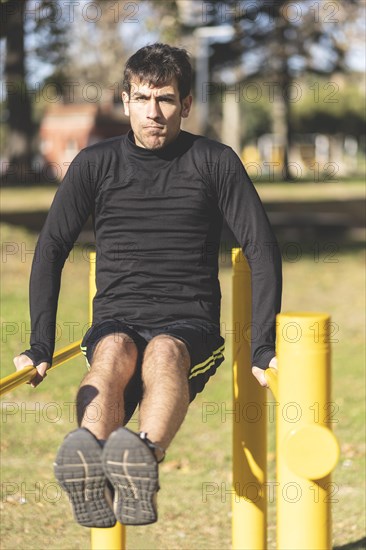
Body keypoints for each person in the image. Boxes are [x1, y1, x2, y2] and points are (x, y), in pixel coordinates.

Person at [13, 43, 282, 528]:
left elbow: (262, 249)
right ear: (125, 99)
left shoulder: (214, 162)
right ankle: (93, 469)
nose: (153, 112)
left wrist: (263, 348)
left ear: (187, 104)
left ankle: (141, 460)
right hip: (117, 316)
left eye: (165, 99)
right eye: (142, 98)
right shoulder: (95, 164)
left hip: (190, 325)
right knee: (112, 350)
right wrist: (39, 344)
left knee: (162, 350)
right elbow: (51, 247)